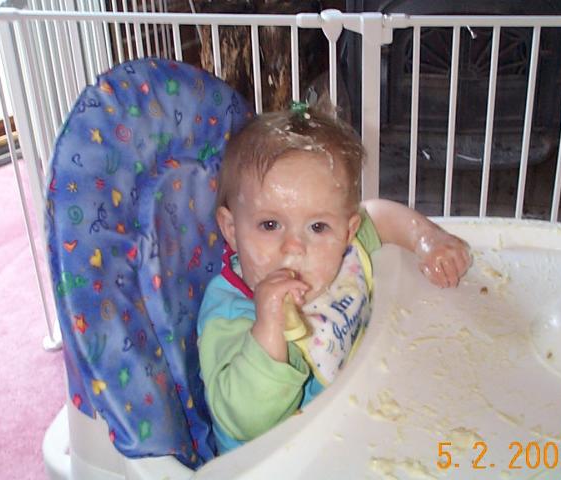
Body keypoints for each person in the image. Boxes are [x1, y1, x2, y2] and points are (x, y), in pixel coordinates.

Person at [197, 105, 472, 453]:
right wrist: (269, 326)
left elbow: (379, 215)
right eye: (270, 224)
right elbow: (244, 419)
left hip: (354, 418)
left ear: (347, 231)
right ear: (231, 230)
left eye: (317, 226)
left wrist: (428, 240)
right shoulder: (228, 314)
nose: (294, 247)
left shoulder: (342, 257)